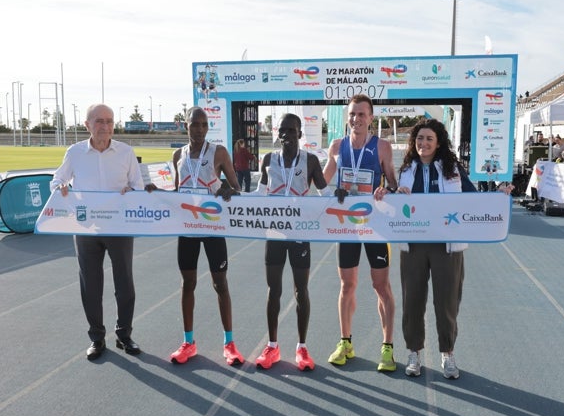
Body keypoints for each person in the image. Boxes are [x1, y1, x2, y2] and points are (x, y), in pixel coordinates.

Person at [395, 118, 514, 379]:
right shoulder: (405, 169)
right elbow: (391, 203)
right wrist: (389, 194)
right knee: (412, 300)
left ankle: (447, 354)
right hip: (413, 246)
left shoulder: (452, 169)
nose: (423, 143)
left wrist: (498, 196)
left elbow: (472, 197)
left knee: (447, 301)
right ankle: (413, 352)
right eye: (419, 138)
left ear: (438, 144)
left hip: (446, 247)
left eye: (429, 139)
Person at [50, 104, 145, 361]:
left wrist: (132, 192)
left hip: (119, 228)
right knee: (90, 285)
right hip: (86, 228)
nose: (105, 126)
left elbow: (138, 186)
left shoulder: (125, 152)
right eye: (99, 121)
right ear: (87, 124)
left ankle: (124, 335)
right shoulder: (75, 152)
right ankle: (97, 338)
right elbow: (56, 180)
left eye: (109, 121)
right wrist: (60, 187)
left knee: (125, 284)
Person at [322, 93, 399, 373]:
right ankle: (346, 342)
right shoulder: (337, 146)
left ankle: (387, 347)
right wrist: (332, 190)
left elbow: (393, 183)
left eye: (362, 114)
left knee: (381, 287)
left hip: (375, 226)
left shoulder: (382, 147)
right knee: (347, 286)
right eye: (352, 114)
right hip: (347, 226)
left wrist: (386, 191)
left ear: (371, 118)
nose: (356, 119)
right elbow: (323, 182)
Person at [166, 106, 245, 366]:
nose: (199, 129)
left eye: (203, 125)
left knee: (220, 284)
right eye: (194, 124)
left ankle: (229, 344)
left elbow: (237, 187)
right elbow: (177, 190)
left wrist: (227, 189)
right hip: (188, 229)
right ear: (185, 126)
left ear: (208, 127)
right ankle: (188, 342)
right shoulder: (178, 154)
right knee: (187, 284)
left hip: (212, 228)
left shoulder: (219, 152)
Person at [252, 113, 330, 371]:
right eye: (281, 131)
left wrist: (341, 194)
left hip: (299, 235)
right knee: (273, 291)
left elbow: (325, 193)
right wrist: (234, 198)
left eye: (290, 130)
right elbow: (258, 196)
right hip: (274, 234)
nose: (285, 135)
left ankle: (302, 347)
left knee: (301, 291)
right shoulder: (268, 160)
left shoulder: (310, 161)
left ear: (300, 133)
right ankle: (272, 346)